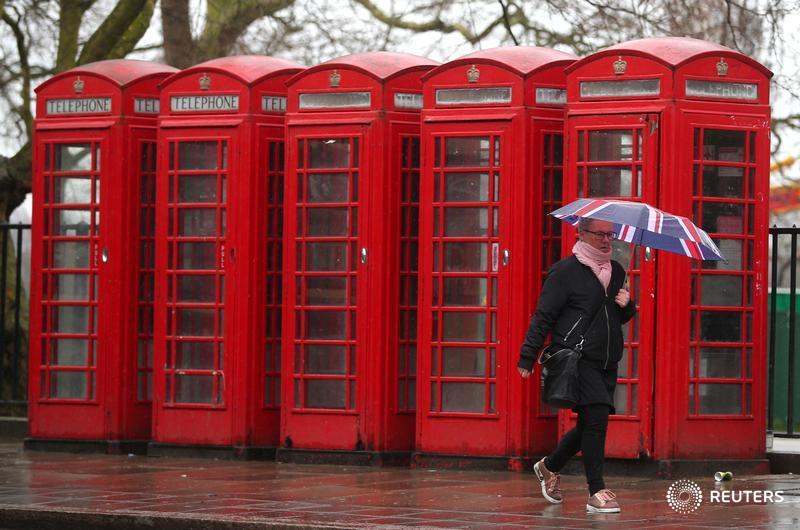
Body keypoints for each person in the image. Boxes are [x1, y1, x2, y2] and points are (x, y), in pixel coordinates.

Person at [518, 217, 637, 514]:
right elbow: (543, 315)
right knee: (597, 419)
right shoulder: (565, 272)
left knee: (589, 424)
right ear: (581, 234)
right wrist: (527, 356)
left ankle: (550, 466)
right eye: (599, 235)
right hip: (576, 357)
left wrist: (628, 306)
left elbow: (614, 319)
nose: (607, 240)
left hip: (607, 360)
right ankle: (596, 490)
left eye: (611, 234)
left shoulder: (618, 271)